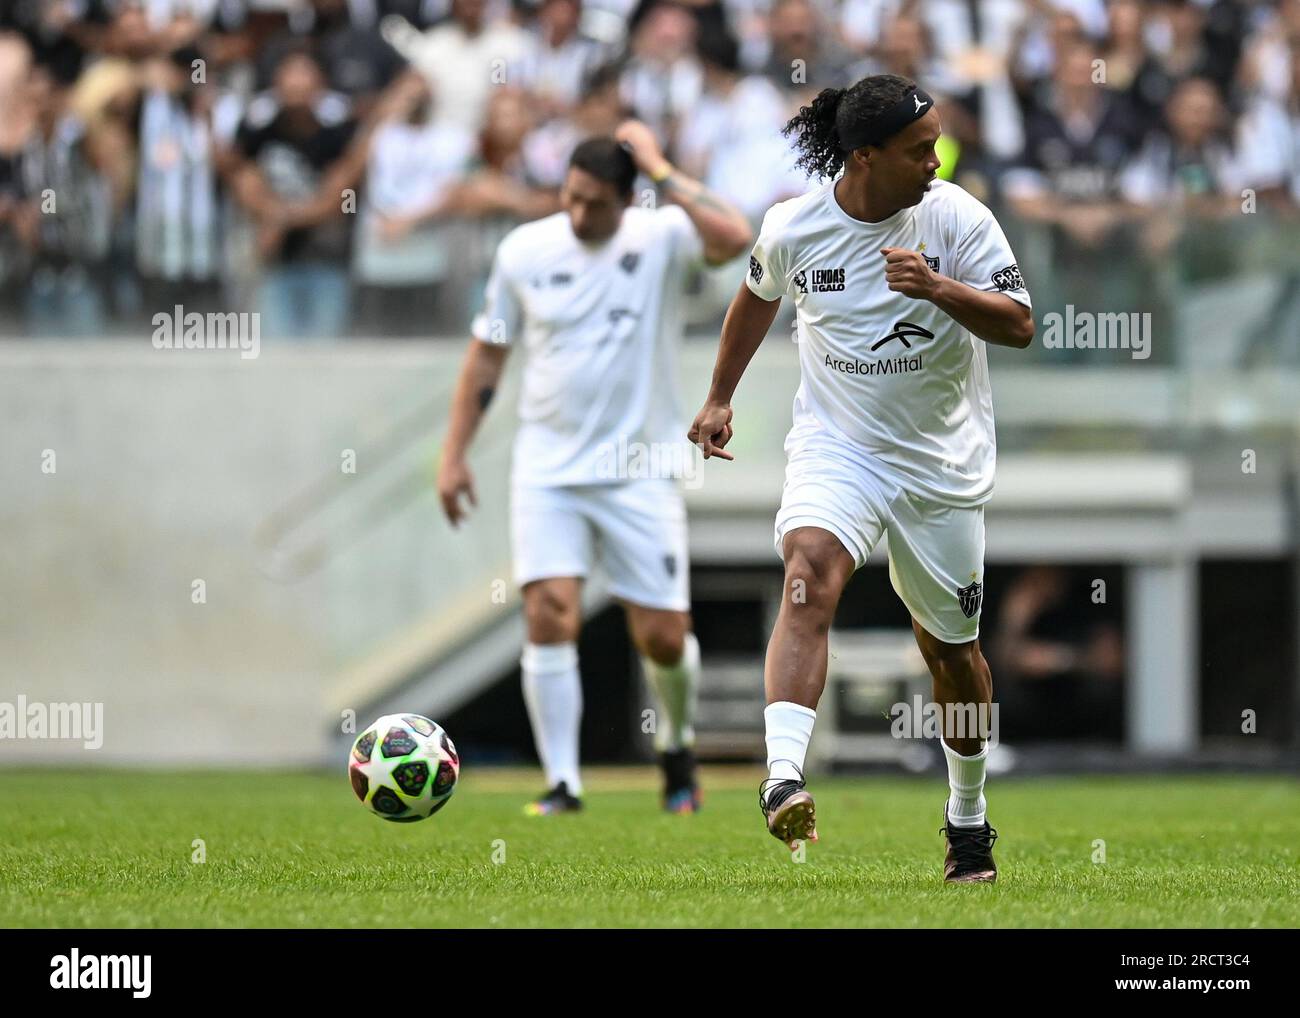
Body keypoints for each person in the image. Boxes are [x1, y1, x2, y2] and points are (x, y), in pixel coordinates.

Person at [688, 74, 1034, 882]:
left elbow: (1019, 324)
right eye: (920, 151)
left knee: (952, 656)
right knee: (808, 571)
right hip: (838, 446)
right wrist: (718, 397)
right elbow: (755, 294)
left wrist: (937, 287)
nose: (937, 161)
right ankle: (781, 780)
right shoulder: (794, 227)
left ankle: (968, 818)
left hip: (940, 464)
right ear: (865, 156)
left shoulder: (958, 219)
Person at [437, 122, 752, 814]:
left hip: (639, 467)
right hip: (546, 467)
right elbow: (487, 354)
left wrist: (665, 167)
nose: (580, 214)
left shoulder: (663, 236)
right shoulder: (525, 250)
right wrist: (454, 454)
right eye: (571, 198)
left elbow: (735, 237)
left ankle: (677, 744)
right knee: (549, 614)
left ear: (629, 199)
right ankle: (562, 783)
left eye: (596, 204)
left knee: (663, 637)